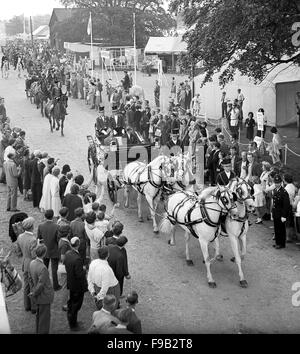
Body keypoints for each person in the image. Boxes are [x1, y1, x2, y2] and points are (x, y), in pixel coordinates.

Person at [29, 244, 54, 334]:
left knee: (39, 317)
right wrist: (35, 293)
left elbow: (30, 279)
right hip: (44, 296)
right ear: (44, 254)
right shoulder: (43, 268)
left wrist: (32, 291)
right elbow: (41, 284)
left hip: (37, 295)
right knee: (44, 320)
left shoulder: (32, 263)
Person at [64, 236, 88, 331]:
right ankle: (73, 325)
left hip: (71, 282)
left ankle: (73, 321)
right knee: (76, 305)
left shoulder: (68, 253)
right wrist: (84, 269)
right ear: (78, 245)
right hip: (77, 285)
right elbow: (79, 274)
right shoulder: (77, 258)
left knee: (72, 303)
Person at [15, 217, 37, 313]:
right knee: (33, 285)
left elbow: (18, 252)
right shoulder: (32, 239)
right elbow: (34, 255)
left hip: (24, 262)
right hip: (31, 264)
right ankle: (33, 307)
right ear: (32, 227)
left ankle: (27, 305)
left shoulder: (20, 237)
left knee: (27, 285)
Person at [87, 246, 120, 310]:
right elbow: (105, 287)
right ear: (108, 255)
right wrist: (98, 297)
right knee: (111, 307)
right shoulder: (106, 269)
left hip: (97, 288)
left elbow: (89, 278)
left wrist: (92, 291)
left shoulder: (93, 263)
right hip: (111, 289)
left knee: (103, 307)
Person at [37, 209, 61, 291]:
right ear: (53, 216)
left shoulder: (40, 226)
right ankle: (55, 285)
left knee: (44, 268)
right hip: (54, 250)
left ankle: (44, 284)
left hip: (44, 250)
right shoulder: (57, 226)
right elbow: (58, 239)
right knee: (54, 269)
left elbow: (39, 238)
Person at [272, 174, 290, 249]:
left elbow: (286, 205)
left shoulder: (284, 192)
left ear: (281, 182)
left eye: (278, 182)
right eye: (276, 182)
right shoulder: (275, 190)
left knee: (281, 229)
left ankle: (281, 244)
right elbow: (274, 203)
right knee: (276, 228)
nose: (277, 184)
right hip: (275, 213)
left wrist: (284, 216)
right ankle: (277, 242)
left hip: (281, 214)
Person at [57, 224, 72, 312]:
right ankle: (64, 304)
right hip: (65, 266)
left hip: (63, 266)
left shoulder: (62, 241)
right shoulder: (64, 244)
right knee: (65, 287)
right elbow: (63, 257)